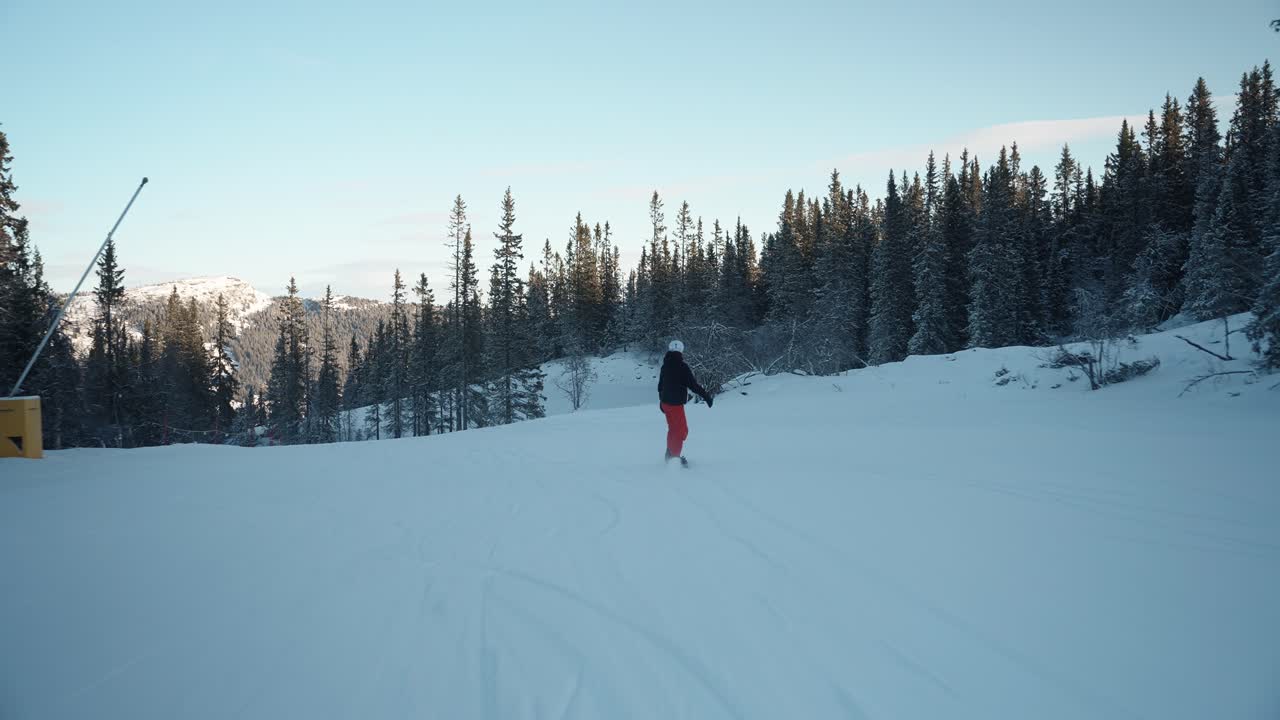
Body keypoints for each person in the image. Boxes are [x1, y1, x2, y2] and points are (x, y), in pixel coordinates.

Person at [658, 339, 712, 465]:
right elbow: (693, 385)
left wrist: (661, 401)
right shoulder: (682, 367)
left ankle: (670, 453)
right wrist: (706, 396)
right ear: (681, 351)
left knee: (673, 429)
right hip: (675, 404)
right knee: (681, 431)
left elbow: (660, 386)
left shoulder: (664, 366)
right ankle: (674, 458)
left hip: (666, 403)